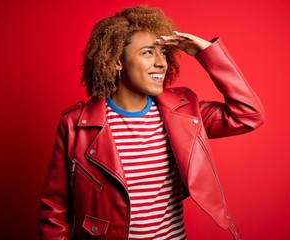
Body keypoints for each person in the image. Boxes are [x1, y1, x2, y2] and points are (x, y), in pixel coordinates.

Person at [39, 5, 265, 240]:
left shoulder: (184, 113)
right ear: (117, 61)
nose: (161, 63)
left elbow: (248, 114)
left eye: (164, 53)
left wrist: (207, 53)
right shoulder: (76, 124)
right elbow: (56, 207)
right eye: (148, 52)